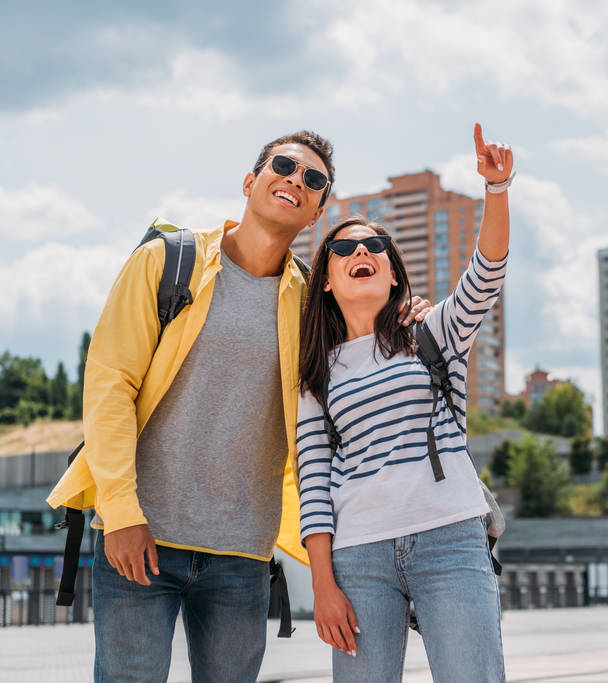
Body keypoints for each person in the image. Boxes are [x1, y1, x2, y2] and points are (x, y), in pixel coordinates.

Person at [45, 131, 431, 682]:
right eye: (284, 166)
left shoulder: (310, 303)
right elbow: (110, 388)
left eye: (313, 180)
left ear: (317, 213)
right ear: (251, 182)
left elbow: (366, 342)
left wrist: (408, 312)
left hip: (242, 555)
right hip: (140, 536)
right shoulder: (167, 262)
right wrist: (123, 512)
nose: (296, 180)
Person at [296, 123, 512, 682]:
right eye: (344, 248)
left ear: (392, 273)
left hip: (450, 540)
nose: (361, 252)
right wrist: (323, 584)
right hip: (358, 556)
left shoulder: (434, 331)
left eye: (376, 248)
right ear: (325, 279)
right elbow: (314, 482)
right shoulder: (315, 371)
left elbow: (486, 274)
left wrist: (496, 189)